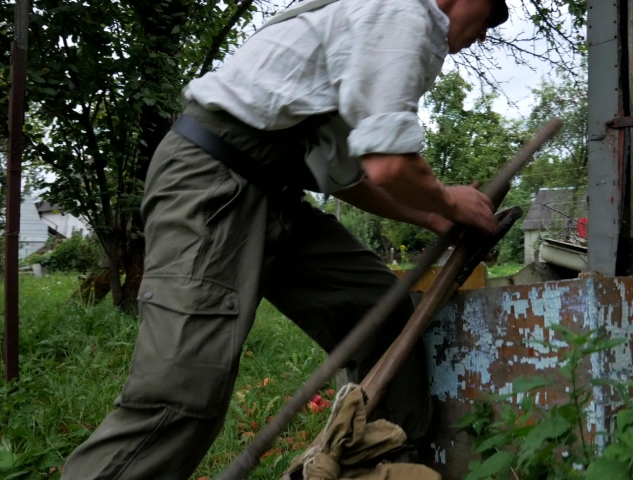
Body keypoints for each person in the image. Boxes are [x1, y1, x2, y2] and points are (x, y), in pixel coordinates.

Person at [62, 0, 509, 478]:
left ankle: (381, 464)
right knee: (183, 392)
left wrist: (432, 218)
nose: (485, 32)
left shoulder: (373, 28)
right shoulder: (403, 13)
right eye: (490, 13)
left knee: (377, 309)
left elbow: (346, 177)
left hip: (271, 190)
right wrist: (448, 200)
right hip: (212, 182)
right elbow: (391, 163)